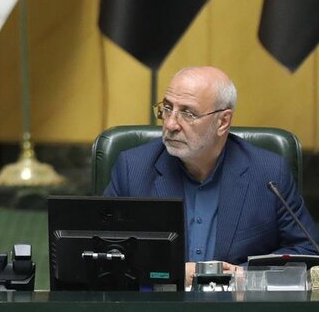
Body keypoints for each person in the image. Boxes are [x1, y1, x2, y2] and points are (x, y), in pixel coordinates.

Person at [105, 66, 319, 285]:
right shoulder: (133, 169)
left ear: (223, 122)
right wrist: (171, 272)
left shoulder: (269, 173)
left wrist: (244, 276)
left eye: (188, 113)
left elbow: (307, 250)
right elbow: (102, 254)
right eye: (167, 108)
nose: (170, 124)